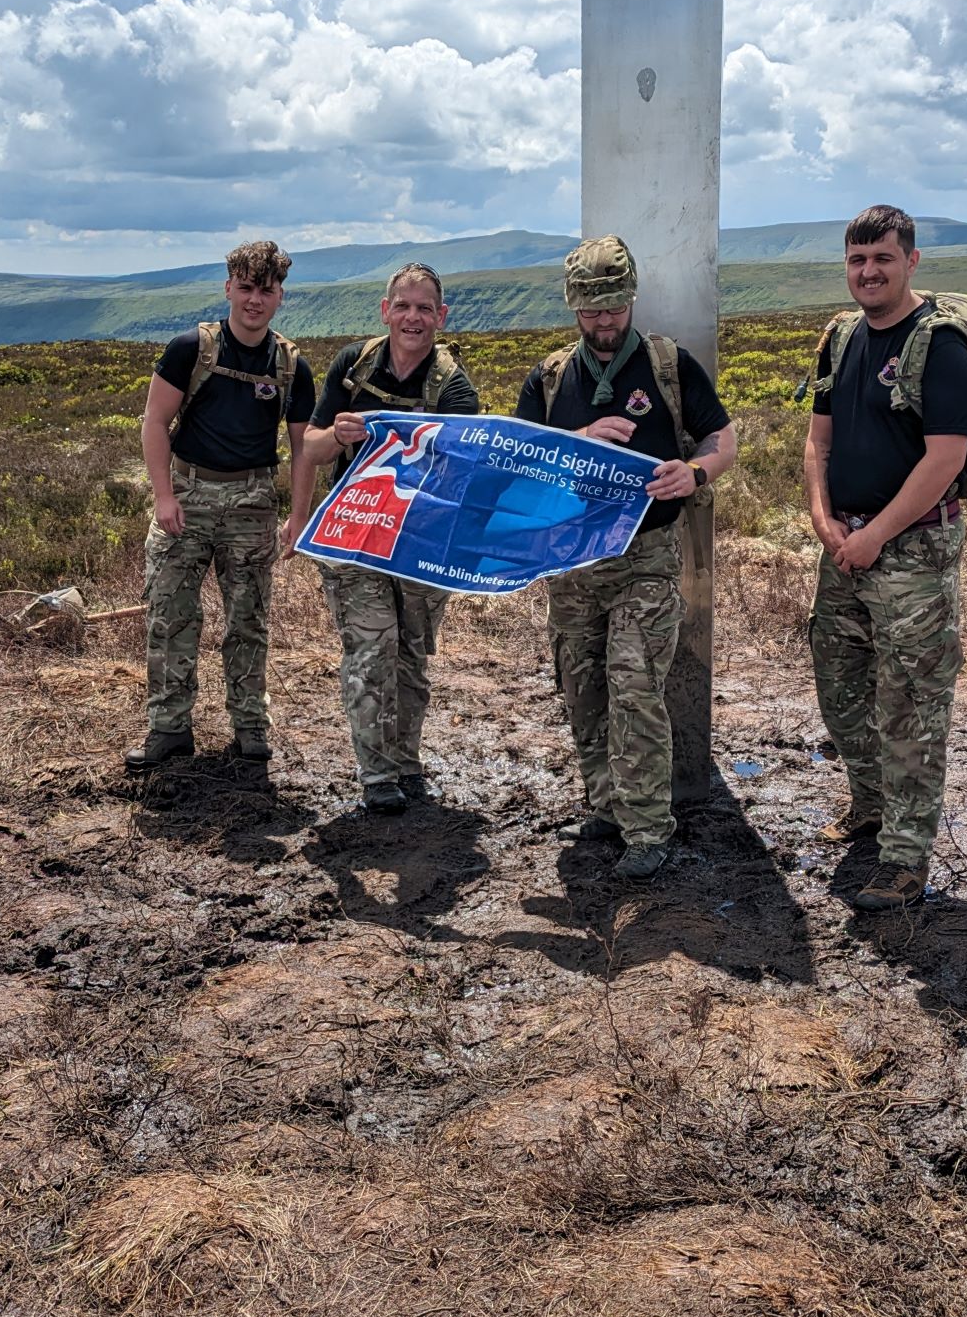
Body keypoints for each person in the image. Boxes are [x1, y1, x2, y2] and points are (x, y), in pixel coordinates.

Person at [515, 235, 736, 880]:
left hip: (645, 554)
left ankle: (646, 828)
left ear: (632, 297)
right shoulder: (552, 376)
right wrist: (577, 441)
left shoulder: (668, 365)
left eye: (613, 307)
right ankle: (606, 805)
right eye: (590, 309)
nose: (604, 321)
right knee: (583, 685)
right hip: (574, 558)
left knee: (635, 683)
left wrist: (694, 474)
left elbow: (722, 440)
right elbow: (520, 467)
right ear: (572, 307)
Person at [803, 204, 967, 909]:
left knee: (909, 705)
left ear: (910, 260)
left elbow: (945, 458)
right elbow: (817, 439)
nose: (867, 272)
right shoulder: (840, 338)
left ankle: (904, 858)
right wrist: (822, 519)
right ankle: (869, 804)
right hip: (842, 544)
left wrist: (875, 534)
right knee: (840, 686)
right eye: (856, 260)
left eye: (881, 258)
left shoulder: (938, 345)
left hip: (910, 551)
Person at [125, 240, 316, 772]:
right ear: (229, 288)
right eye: (247, 288)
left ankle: (250, 727)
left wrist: (298, 516)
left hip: (254, 502)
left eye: (268, 290)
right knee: (171, 617)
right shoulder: (191, 348)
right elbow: (154, 422)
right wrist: (164, 496)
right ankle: (168, 729)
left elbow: (303, 447)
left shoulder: (291, 367)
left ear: (280, 296)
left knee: (249, 620)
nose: (256, 300)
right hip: (186, 496)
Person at [301, 263, 480, 813]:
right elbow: (310, 447)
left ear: (441, 317)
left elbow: (462, 474)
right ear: (386, 310)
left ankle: (405, 760)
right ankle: (377, 775)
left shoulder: (454, 387)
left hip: (422, 544)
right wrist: (337, 434)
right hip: (356, 535)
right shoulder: (351, 365)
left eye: (424, 308)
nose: (413, 317)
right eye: (403, 305)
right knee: (371, 647)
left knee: (410, 654)